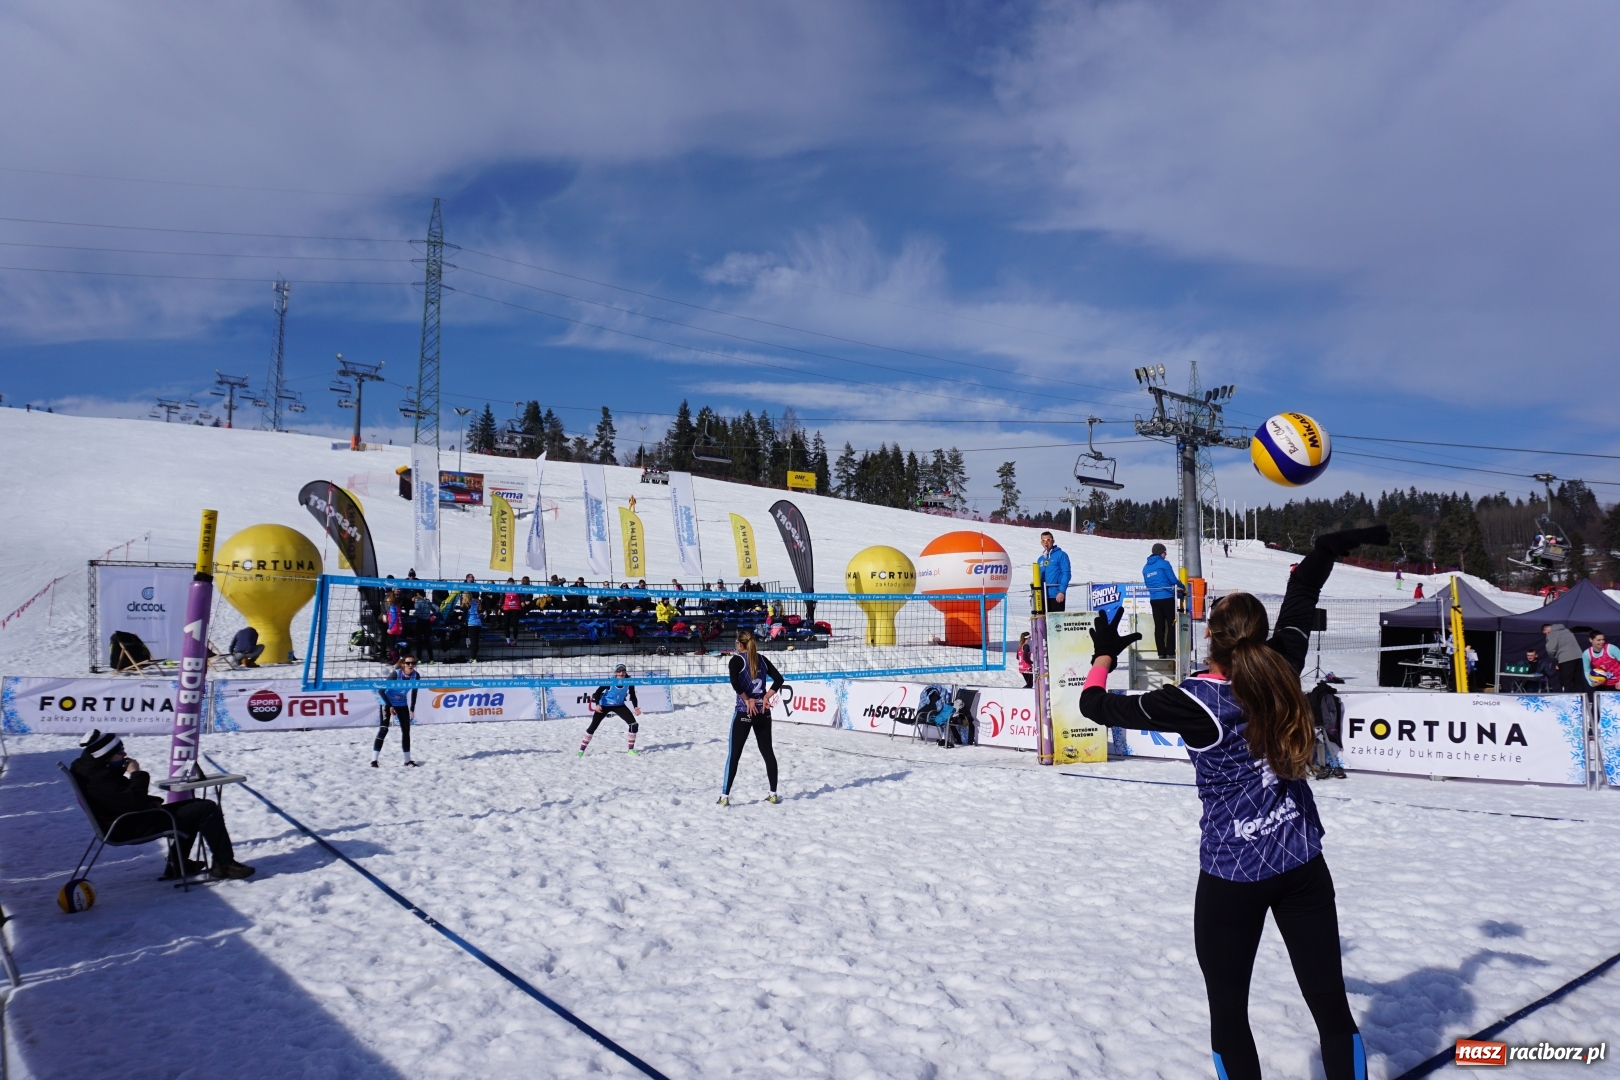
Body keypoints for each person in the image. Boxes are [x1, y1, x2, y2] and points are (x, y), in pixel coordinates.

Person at [1078, 525, 1388, 1080]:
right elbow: (1302, 597)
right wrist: (1325, 549)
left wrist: (1102, 653)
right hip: (1302, 865)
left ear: (1212, 637)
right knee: (1331, 1007)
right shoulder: (1283, 667)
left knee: (1229, 1015)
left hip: (1232, 875)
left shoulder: (1191, 702)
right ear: (1259, 636)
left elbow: (1095, 705)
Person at [72, 730, 255, 880]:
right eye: (119, 752)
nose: (124, 754)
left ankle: (179, 865)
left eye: (122, 748)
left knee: (195, 806)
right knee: (205, 808)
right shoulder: (98, 779)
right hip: (129, 825)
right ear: (104, 756)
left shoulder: (91, 769)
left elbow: (118, 799)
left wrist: (150, 800)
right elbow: (131, 801)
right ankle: (225, 864)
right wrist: (137, 773)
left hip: (126, 818)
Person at [720, 629, 784, 806]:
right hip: (763, 712)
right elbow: (779, 679)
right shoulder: (761, 659)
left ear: (740, 644)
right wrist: (765, 697)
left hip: (744, 711)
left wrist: (747, 700)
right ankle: (773, 794)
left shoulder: (736, 660)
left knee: (734, 755)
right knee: (767, 752)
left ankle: (724, 797)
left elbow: (735, 682)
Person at [579, 665, 642, 755]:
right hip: (604, 705)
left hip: (619, 705)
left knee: (634, 725)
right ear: (615, 673)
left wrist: (635, 707)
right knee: (593, 727)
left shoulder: (629, 681)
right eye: (619, 671)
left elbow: (632, 695)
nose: (621, 673)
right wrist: (597, 705)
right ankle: (581, 750)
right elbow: (597, 693)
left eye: (623, 671)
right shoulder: (610, 681)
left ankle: (631, 750)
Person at [374, 656, 422, 767]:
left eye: (413, 663)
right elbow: (381, 690)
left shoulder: (416, 676)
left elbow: (415, 691)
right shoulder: (395, 674)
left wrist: (412, 708)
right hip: (386, 701)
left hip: (401, 703)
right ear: (402, 664)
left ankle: (407, 760)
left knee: (406, 731)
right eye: (408, 663)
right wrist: (390, 706)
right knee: (384, 729)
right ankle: (374, 760)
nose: (411, 665)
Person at [1143, 542, 1180, 659]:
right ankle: (1170, 651)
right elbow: (1173, 580)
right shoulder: (1164, 564)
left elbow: (1148, 584)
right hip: (1167, 598)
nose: (1166, 555)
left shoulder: (1145, 568)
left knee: (1159, 626)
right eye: (1165, 553)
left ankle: (1161, 653)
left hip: (1154, 599)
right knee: (1171, 624)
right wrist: (1182, 586)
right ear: (1161, 552)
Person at [1036, 531, 1071, 612]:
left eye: (1048, 539)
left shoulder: (1061, 555)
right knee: (1042, 623)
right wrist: (1034, 597)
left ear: (1053, 541)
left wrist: (1061, 591)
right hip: (1042, 597)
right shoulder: (1040, 559)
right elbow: (1037, 578)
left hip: (1056, 596)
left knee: (1056, 623)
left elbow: (1066, 573)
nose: (1046, 542)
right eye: (1043, 540)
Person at [1543, 622, 1583, 693]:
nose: (1546, 634)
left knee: (1566, 682)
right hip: (1579, 657)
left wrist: (1555, 658)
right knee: (1578, 681)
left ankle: (1568, 700)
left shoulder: (1552, 634)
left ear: (1546, 630)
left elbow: (1550, 650)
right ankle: (1580, 700)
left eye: (1545, 632)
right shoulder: (1567, 630)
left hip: (1565, 659)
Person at [461, 589, 484, 663]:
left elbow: (464, 615)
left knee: (473, 642)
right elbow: (480, 611)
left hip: (472, 624)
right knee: (476, 641)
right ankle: (474, 656)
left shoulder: (466, 604)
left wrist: (460, 617)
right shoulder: (475, 602)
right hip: (478, 623)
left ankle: (473, 658)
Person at [501, 579, 523, 644]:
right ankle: (508, 640)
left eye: (511, 583)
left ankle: (515, 640)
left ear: (513, 583)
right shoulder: (505, 589)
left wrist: (522, 601)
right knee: (506, 624)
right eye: (509, 583)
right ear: (507, 583)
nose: (510, 584)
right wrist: (500, 607)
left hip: (515, 608)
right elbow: (502, 597)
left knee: (515, 625)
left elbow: (521, 596)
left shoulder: (517, 589)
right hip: (507, 608)